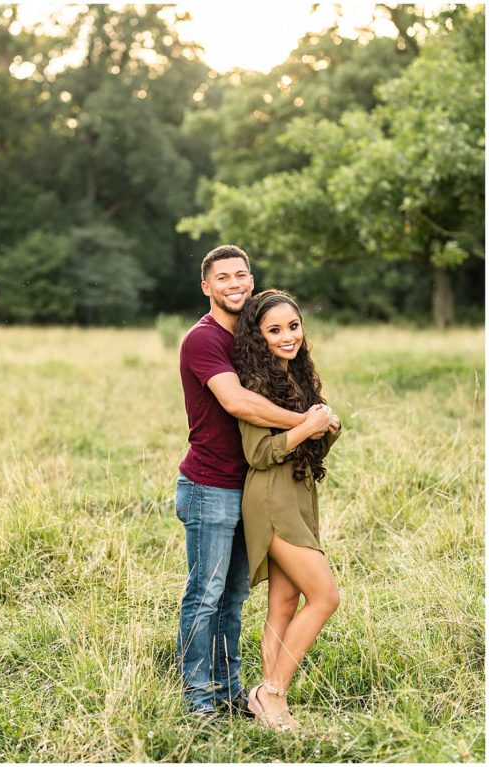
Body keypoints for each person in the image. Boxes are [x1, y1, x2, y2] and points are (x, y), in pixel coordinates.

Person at [175, 245, 310, 723]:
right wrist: (304, 422)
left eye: (242, 275)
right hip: (210, 484)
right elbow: (238, 404)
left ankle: (230, 692)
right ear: (206, 287)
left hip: (252, 487)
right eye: (223, 278)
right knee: (205, 596)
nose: (235, 284)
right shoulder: (203, 340)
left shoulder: (252, 337)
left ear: (251, 281)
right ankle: (198, 699)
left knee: (233, 597)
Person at [232, 289, 341, 731]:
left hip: (297, 496)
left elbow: (310, 439)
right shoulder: (255, 384)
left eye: (292, 326)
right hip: (271, 500)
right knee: (325, 596)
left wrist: (327, 426)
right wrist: (307, 427)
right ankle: (270, 692)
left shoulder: (297, 376)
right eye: (274, 330)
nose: (287, 336)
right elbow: (259, 453)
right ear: (258, 336)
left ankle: (271, 705)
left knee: (284, 601)